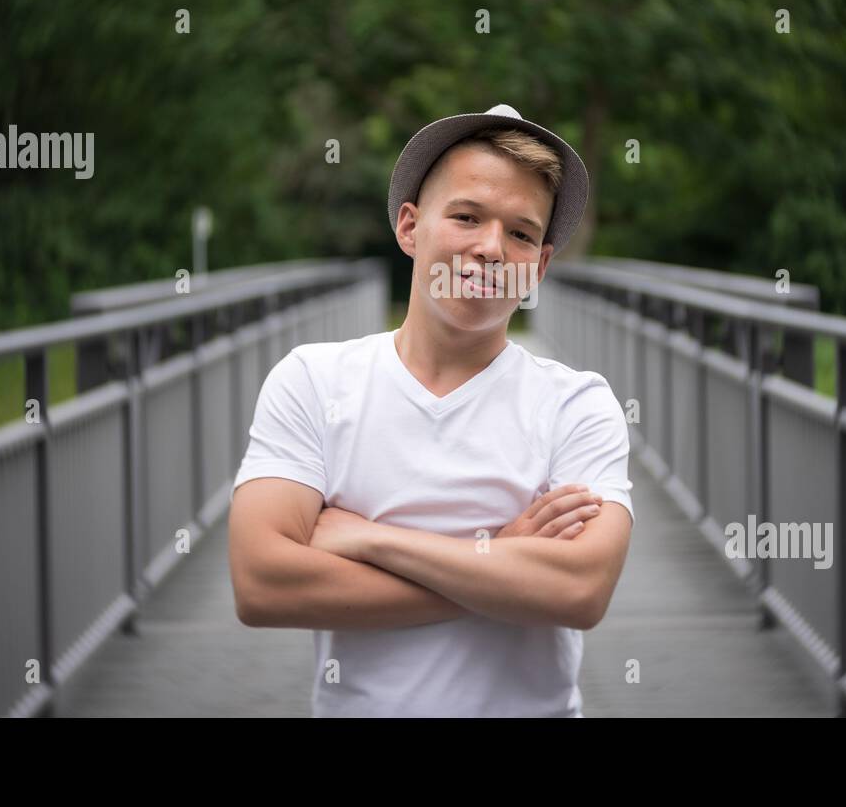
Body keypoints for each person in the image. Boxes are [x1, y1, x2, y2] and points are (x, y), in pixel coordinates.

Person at [228, 103, 634, 717]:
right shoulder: (314, 381)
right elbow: (260, 584)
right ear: (410, 227)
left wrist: (368, 538)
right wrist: (500, 558)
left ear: (540, 268)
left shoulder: (577, 403)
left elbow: (579, 591)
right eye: (467, 216)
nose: (491, 249)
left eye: (522, 233)